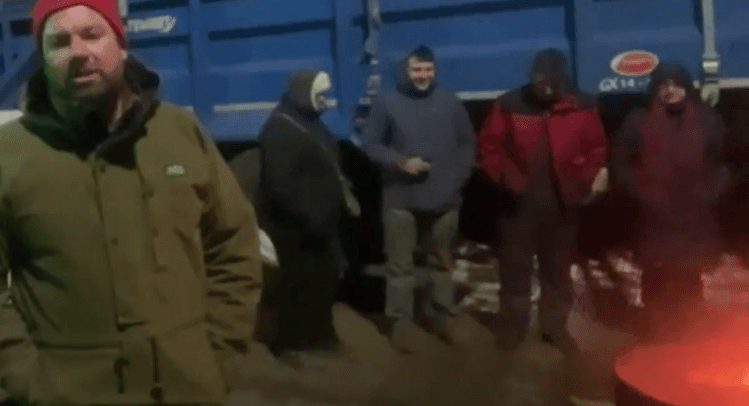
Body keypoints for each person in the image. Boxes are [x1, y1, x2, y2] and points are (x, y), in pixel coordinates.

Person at [0, 0, 262, 406]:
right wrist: (37, 385)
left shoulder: (178, 132)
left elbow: (233, 246)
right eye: (59, 42)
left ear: (120, 43)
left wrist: (218, 359)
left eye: (92, 34)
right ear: (43, 59)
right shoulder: (8, 154)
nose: (78, 52)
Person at [476, 48, 608, 350]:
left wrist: (583, 179)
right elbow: (488, 145)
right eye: (539, 80)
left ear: (562, 79)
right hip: (517, 205)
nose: (544, 87)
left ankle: (554, 327)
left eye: (551, 81)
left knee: (557, 271)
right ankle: (512, 327)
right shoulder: (509, 104)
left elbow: (596, 149)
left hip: (562, 206)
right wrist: (501, 179)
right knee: (514, 270)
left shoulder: (582, 105)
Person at [361, 45, 476, 352]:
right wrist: (401, 162)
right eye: (416, 70)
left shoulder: (450, 103)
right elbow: (370, 144)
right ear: (406, 71)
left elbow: (467, 146)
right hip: (401, 200)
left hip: (444, 200)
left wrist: (456, 180)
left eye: (427, 70)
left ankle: (442, 318)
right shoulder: (387, 102)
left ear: (434, 70)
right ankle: (399, 325)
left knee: (442, 264)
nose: (423, 76)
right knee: (400, 268)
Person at [610, 62, 729, 342]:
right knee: (655, 275)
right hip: (655, 214)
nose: (670, 91)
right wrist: (642, 192)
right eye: (663, 85)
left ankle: (689, 331)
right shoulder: (637, 121)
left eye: (676, 84)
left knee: (689, 275)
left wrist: (710, 191)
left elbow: (724, 162)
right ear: (654, 89)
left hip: (693, 213)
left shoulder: (707, 119)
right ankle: (656, 332)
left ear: (686, 87)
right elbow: (620, 165)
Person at [257, 68, 360, 366]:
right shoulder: (278, 129)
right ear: (304, 93)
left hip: (320, 225)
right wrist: (310, 214)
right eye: (320, 95)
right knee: (294, 287)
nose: (324, 101)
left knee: (323, 282)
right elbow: (280, 184)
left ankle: (321, 337)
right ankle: (287, 345)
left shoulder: (311, 122)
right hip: (294, 227)